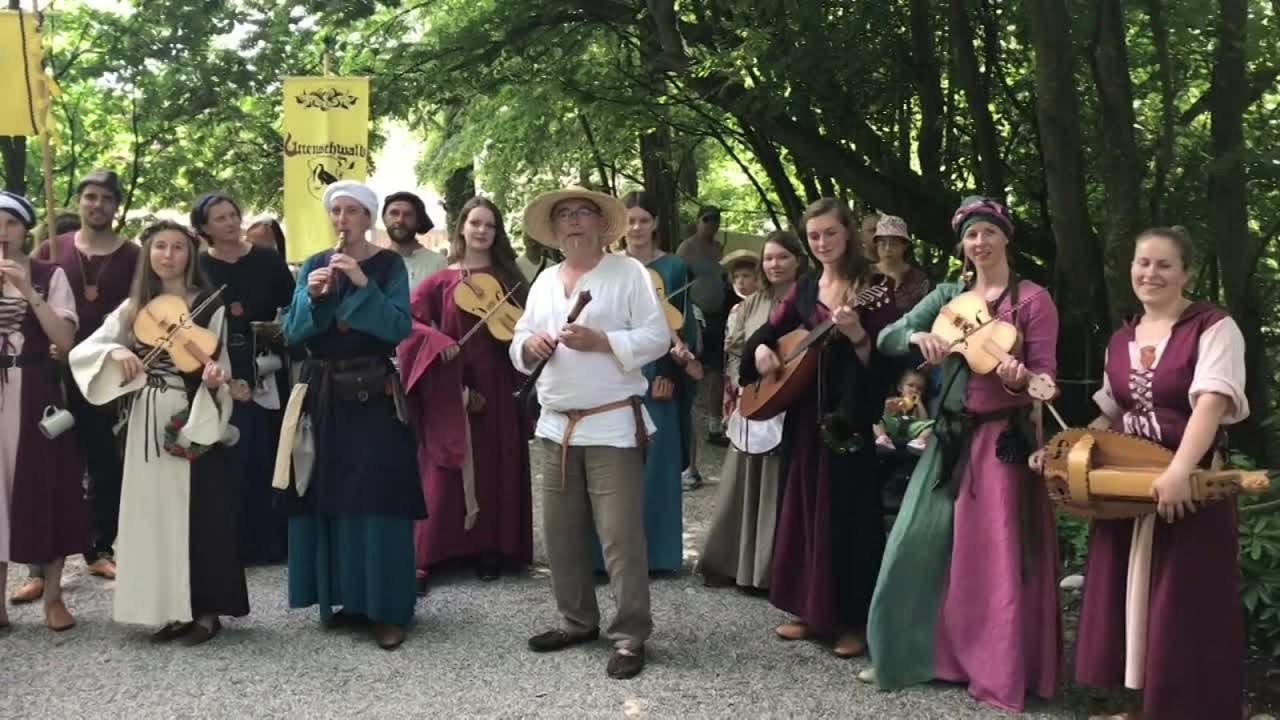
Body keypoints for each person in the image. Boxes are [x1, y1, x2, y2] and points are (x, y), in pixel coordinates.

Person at [865, 196, 1060, 712]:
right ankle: (912, 652)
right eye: (971, 235)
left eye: (989, 232)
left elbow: (1047, 376)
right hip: (949, 439)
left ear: (1005, 237)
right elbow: (886, 338)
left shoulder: (1033, 299)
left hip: (1004, 441)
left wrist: (1023, 380)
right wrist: (920, 333)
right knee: (915, 543)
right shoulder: (950, 296)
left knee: (993, 559)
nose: (980, 242)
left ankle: (996, 667)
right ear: (962, 244)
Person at [1072, 227, 1248, 720]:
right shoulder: (1121, 338)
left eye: (1164, 264)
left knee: (1182, 605)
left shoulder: (1213, 327)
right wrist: (1070, 453)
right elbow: (1110, 414)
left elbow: (1211, 405)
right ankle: (1143, 707)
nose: (1150, 273)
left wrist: (1177, 471)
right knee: (1128, 601)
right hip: (1124, 491)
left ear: (1186, 272)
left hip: (1188, 488)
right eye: (1142, 263)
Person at [511, 185, 669, 679]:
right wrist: (529, 346)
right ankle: (576, 620)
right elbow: (518, 339)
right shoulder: (543, 283)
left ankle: (629, 635)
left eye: (584, 213)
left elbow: (656, 336)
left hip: (610, 423)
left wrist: (603, 341)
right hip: (556, 425)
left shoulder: (629, 273)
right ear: (555, 231)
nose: (574, 222)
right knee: (560, 534)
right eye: (564, 216)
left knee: (620, 536)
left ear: (602, 224)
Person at [69, 220, 248, 644]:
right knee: (153, 516)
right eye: (160, 247)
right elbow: (85, 350)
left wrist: (215, 377)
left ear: (190, 254)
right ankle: (169, 607)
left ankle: (206, 610)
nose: (168, 255)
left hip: (192, 412)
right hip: (146, 415)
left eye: (178, 247)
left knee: (201, 513)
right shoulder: (135, 307)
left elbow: (222, 364)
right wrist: (116, 349)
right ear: (149, 255)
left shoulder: (209, 304)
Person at [740, 198, 900, 658]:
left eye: (830, 233)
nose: (822, 242)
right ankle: (811, 612)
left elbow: (885, 362)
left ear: (848, 233)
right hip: (803, 415)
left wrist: (857, 336)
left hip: (847, 418)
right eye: (814, 236)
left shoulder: (874, 288)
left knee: (850, 515)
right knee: (805, 509)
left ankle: (853, 622)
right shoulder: (805, 288)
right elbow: (766, 332)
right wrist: (761, 353)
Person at [281, 180, 423, 650]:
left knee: (379, 494)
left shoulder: (388, 265)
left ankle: (387, 609)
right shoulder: (314, 266)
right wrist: (314, 298)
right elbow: (294, 333)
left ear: (368, 218)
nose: (342, 219)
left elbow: (399, 326)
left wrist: (361, 287)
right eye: (336, 211)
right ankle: (342, 599)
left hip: (373, 393)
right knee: (330, 493)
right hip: (325, 393)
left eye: (352, 211)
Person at [12, 170, 138, 605]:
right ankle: (37, 567)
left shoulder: (134, 255)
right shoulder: (52, 251)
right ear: (79, 202)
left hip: (105, 372)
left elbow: (138, 313)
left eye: (105, 198)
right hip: (52, 375)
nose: (96, 204)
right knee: (46, 468)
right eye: (89, 197)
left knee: (105, 462)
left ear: (115, 205)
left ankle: (98, 548)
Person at [400, 196, 531, 590]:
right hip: (449, 385)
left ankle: (491, 545)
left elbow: (528, 330)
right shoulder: (439, 281)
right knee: (442, 466)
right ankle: (431, 552)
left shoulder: (510, 282)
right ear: (461, 227)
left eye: (489, 225)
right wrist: (440, 342)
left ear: (497, 232)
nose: (481, 231)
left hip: (498, 384)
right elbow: (407, 324)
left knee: (495, 463)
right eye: (475, 223)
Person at [592, 190, 699, 574]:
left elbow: (679, 326)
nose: (636, 227)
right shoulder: (607, 266)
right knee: (611, 466)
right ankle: (604, 557)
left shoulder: (673, 268)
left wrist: (669, 374)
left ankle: (656, 556)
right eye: (630, 220)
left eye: (643, 220)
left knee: (657, 468)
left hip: (659, 378)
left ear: (655, 224)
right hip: (613, 375)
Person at [697, 230, 804, 591]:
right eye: (769, 258)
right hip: (754, 397)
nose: (774, 264)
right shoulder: (752, 303)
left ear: (798, 261)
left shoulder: (807, 299)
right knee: (743, 480)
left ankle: (767, 571)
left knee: (775, 483)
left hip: (790, 400)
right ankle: (732, 563)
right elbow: (736, 348)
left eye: (783, 257)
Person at [194, 192, 296, 565]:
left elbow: (290, 306)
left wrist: (276, 335)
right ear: (204, 228)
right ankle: (231, 541)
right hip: (217, 366)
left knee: (268, 449)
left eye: (233, 214)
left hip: (266, 364)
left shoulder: (267, 260)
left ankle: (271, 541)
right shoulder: (200, 267)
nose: (230, 222)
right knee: (229, 451)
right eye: (219, 218)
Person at [0, 191, 86, 631]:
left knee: (48, 485)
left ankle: (53, 596)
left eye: (10, 222)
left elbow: (66, 340)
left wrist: (28, 294)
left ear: (25, 228)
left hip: (36, 387)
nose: (2, 230)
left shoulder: (51, 275)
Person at [677, 204, 731, 449]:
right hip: (696, 315)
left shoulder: (719, 249)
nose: (712, 223)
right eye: (707, 219)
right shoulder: (687, 247)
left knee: (718, 370)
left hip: (720, 314)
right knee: (693, 369)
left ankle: (714, 425)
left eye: (716, 219)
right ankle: (683, 424)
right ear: (698, 221)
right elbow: (677, 282)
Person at [383, 191, 445, 290]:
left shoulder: (436, 263)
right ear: (384, 219)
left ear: (418, 221)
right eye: (394, 213)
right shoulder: (374, 264)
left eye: (408, 214)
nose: (400, 220)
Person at [873, 215, 931, 312]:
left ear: (904, 246)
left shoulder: (919, 279)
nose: (887, 248)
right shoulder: (862, 275)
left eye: (893, 243)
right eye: (883, 243)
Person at [873, 368, 934, 456]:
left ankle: (920, 441)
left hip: (910, 427)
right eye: (911, 385)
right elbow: (884, 413)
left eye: (919, 388)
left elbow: (923, 421)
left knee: (932, 424)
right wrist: (891, 407)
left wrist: (919, 404)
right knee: (875, 417)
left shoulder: (918, 405)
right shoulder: (894, 400)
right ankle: (882, 438)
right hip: (893, 424)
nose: (915, 390)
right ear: (900, 388)